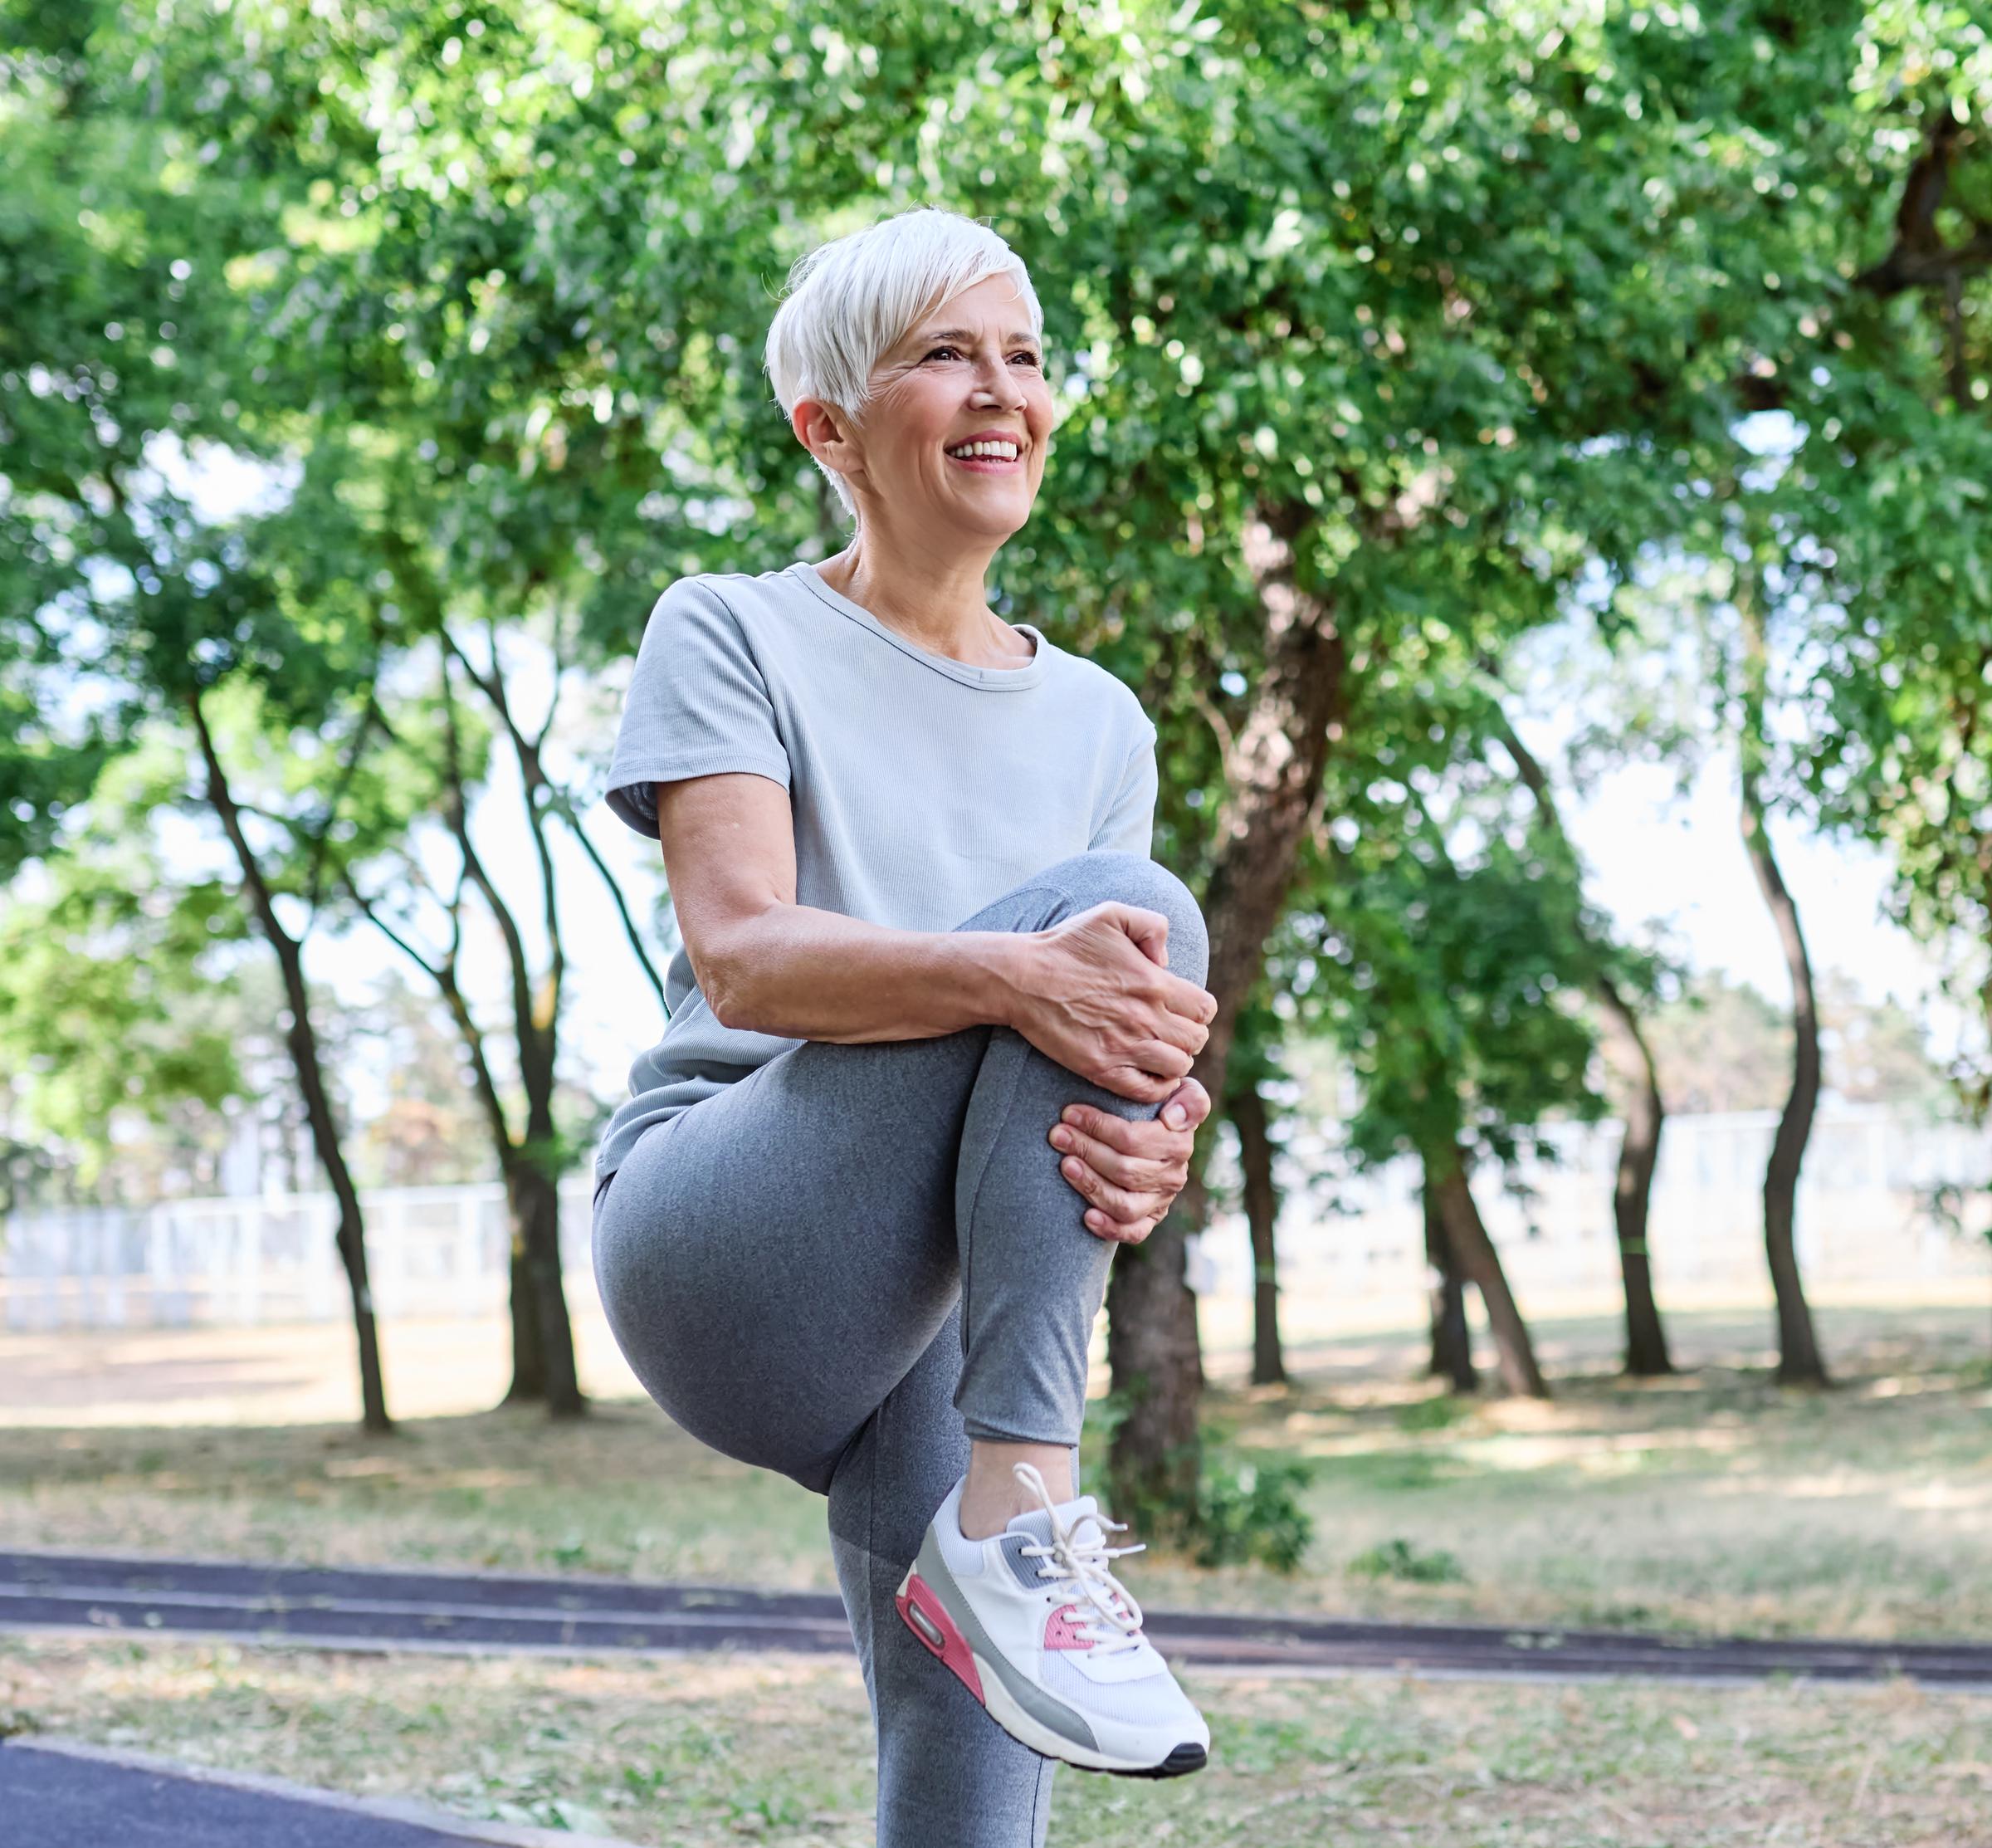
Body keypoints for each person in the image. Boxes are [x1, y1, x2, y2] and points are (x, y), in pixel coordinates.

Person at [589, 204, 1218, 1848]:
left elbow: (1092, 1027)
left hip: (946, 1306)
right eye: (947, 354)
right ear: (831, 429)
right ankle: (1031, 1508)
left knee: (969, 1777)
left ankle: (1007, 1544)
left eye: (1024, 355)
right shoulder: (731, 627)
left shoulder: (1098, 719)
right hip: (730, 1241)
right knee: (1103, 918)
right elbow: (748, 961)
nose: (1001, 390)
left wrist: (1145, 1128)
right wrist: (1031, 983)